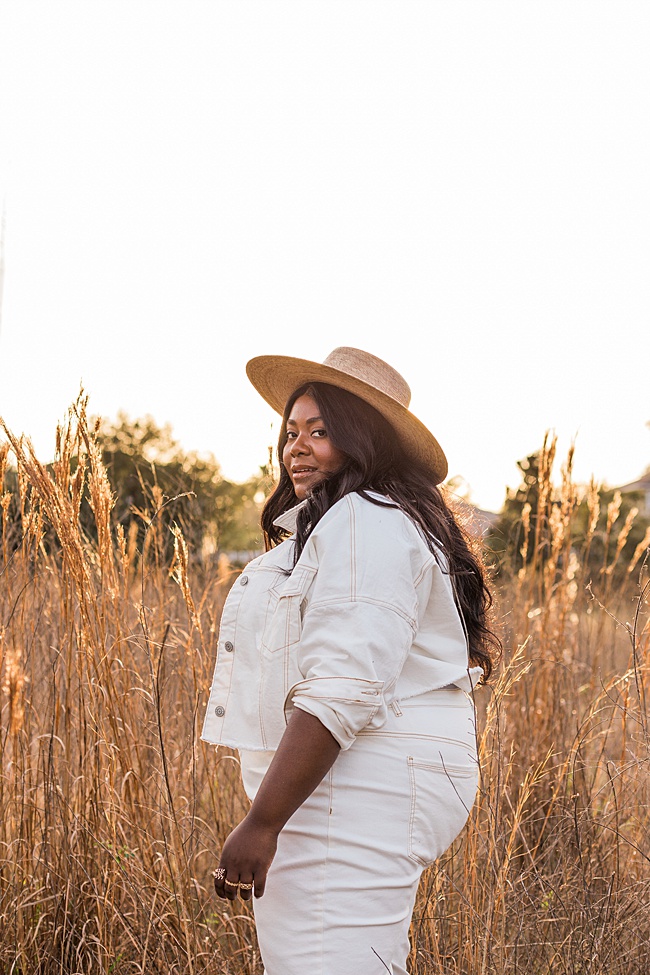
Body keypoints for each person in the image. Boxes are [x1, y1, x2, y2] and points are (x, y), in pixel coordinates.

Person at [202, 347, 499, 975]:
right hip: (358, 783)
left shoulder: (367, 521)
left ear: (363, 440)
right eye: (292, 432)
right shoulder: (359, 521)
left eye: (321, 431)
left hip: (356, 786)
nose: (297, 448)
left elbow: (344, 686)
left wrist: (262, 821)